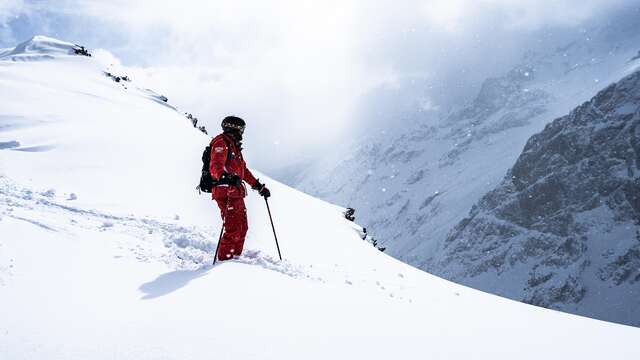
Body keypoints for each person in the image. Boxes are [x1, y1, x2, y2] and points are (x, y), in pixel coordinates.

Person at [209, 116, 270, 261]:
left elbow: (243, 171)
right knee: (233, 229)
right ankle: (225, 261)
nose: (242, 133)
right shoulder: (221, 143)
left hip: (236, 193)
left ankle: (235, 259)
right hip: (226, 192)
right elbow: (215, 166)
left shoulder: (234, 146)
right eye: (241, 129)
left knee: (242, 228)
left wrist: (258, 186)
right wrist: (225, 177)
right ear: (234, 128)